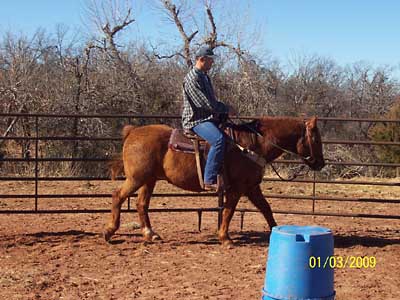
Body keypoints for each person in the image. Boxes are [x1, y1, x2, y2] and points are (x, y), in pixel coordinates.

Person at [182, 46, 234, 191]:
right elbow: (204, 103)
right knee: (218, 140)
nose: (212, 63)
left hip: (208, 117)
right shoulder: (192, 78)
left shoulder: (204, 76)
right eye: (210, 60)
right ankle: (209, 178)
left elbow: (211, 101)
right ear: (201, 59)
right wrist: (225, 108)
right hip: (196, 120)